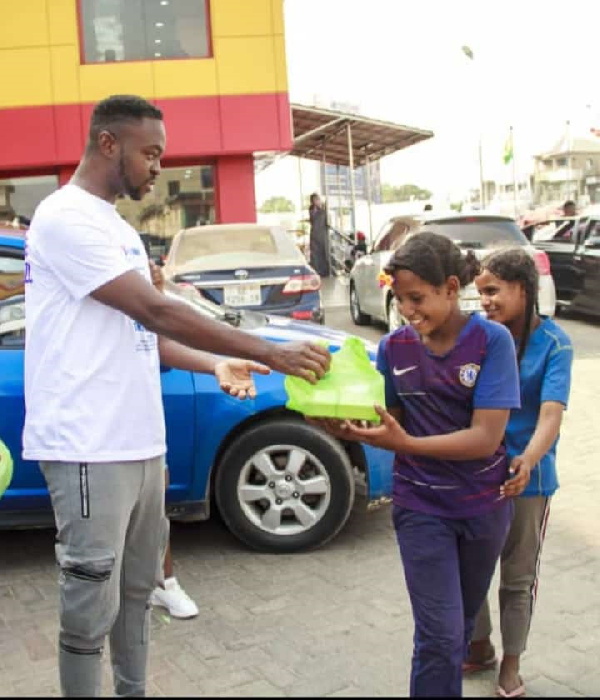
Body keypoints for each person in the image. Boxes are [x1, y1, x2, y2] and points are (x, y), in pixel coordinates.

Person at [23, 94, 330, 697]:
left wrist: (217, 362)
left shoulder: (116, 228)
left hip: (140, 442)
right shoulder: (63, 218)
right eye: (150, 152)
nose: (158, 166)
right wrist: (268, 349)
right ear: (108, 143)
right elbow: (152, 307)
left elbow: (143, 333)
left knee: (138, 592)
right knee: (90, 602)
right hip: (89, 443)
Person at [310, 232, 521, 697]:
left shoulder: (492, 341)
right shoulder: (395, 348)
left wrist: (405, 442)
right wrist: (342, 427)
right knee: (439, 637)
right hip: (421, 507)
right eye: (401, 300)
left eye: (417, 298)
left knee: (459, 628)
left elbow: (486, 439)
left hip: (484, 508)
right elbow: (390, 421)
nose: (407, 311)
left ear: (450, 287)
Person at [464, 248, 573, 698]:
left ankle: (511, 663)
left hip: (530, 477)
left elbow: (550, 414)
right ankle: (479, 644)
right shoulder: (480, 338)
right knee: (471, 568)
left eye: (493, 291)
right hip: (477, 473)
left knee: (518, 575)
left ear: (523, 290)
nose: (485, 301)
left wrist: (527, 459)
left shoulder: (555, 344)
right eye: (480, 293)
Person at [147, 261, 198, 619]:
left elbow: (158, 340)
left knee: (154, 503)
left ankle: (164, 584)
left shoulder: (141, 301)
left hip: (141, 424)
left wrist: (158, 290)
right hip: (95, 431)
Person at [308, 193, 330, 277]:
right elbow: (313, 218)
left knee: (324, 253)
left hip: (322, 235)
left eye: (318, 199)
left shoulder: (323, 209)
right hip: (316, 235)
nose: (317, 201)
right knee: (316, 255)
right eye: (315, 200)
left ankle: (325, 271)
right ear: (312, 201)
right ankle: (317, 272)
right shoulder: (313, 210)